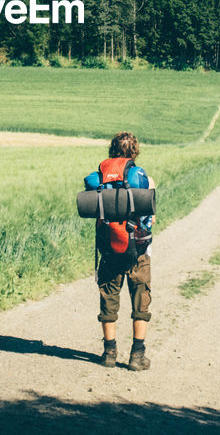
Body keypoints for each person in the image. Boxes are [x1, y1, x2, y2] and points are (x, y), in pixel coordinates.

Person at [88, 131, 154, 370]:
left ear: (112, 150)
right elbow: (150, 218)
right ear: (134, 151)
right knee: (141, 301)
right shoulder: (141, 177)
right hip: (138, 250)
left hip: (109, 250)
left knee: (108, 299)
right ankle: (137, 356)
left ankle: (109, 353)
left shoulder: (99, 179)